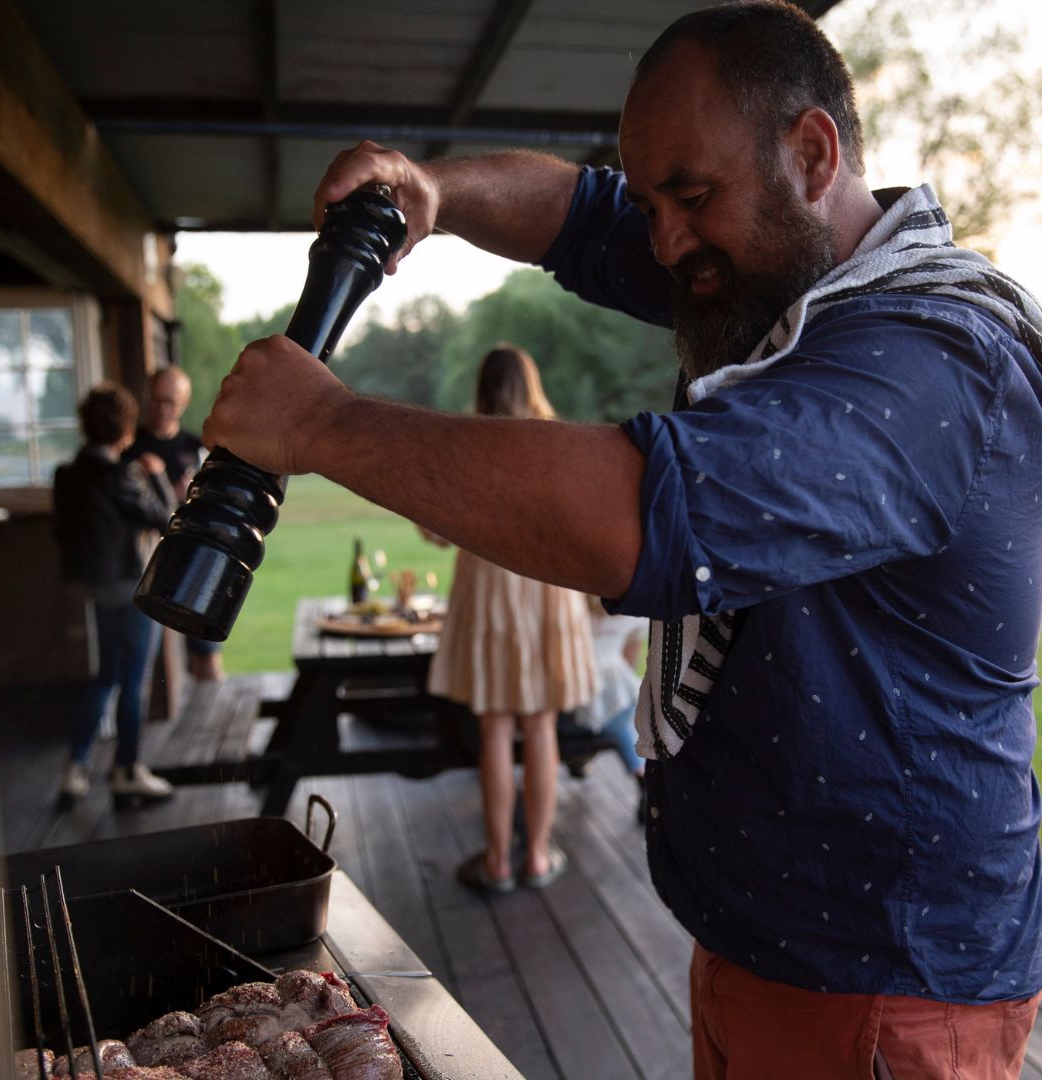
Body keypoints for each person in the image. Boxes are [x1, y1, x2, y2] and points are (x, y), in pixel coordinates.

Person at [202, 1, 1042, 1074]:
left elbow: (640, 512)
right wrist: (437, 193)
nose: (665, 240)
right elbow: (579, 215)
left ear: (814, 152)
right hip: (768, 941)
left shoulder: (931, 362)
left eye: (691, 195)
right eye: (655, 202)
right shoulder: (774, 279)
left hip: (887, 977)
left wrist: (324, 423)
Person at [424, 345, 597, 893]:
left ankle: (498, 861)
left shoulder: (466, 444)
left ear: (483, 387)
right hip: (547, 591)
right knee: (540, 725)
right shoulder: (558, 441)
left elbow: (435, 531)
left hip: (487, 592)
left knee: (495, 727)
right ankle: (538, 857)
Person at [53, 383, 176, 808]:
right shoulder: (124, 475)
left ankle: (75, 768)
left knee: (105, 676)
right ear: (124, 429)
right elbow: (166, 519)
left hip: (97, 590)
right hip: (133, 590)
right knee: (133, 683)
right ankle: (127, 771)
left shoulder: (67, 476)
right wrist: (157, 473)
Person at [125, 366, 224, 681]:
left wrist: (195, 496)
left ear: (184, 403)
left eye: (171, 402)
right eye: (156, 401)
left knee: (205, 655)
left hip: (192, 564)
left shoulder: (197, 448)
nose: (163, 409)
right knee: (143, 663)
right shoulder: (130, 449)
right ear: (146, 397)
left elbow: (221, 509)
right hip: (143, 567)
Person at [573, 596, 646, 822]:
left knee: (613, 717)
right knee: (620, 716)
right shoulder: (631, 612)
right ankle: (641, 772)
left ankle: (582, 761)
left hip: (578, 685)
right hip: (617, 685)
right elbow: (630, 657)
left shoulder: (575, 606)